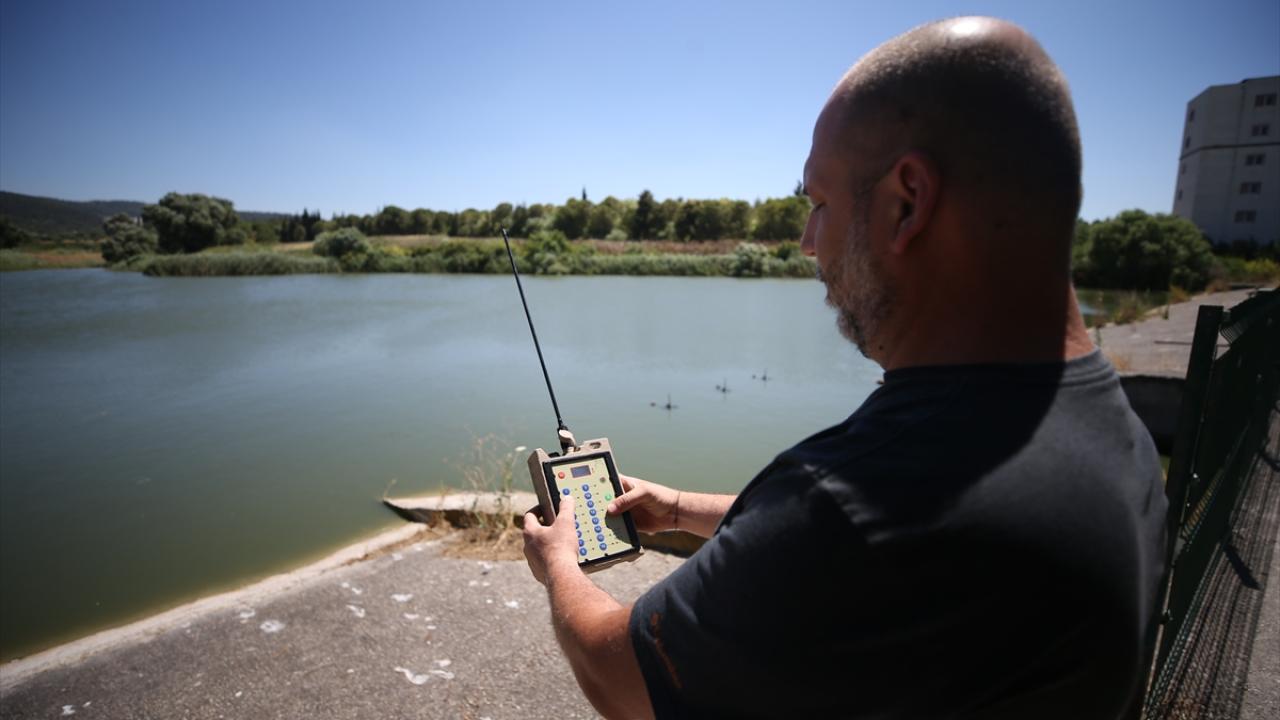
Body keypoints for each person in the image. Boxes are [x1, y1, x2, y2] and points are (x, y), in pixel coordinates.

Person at [522, 16, 1167, 719]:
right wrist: (678, 510)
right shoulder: (1110, 427)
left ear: (906, 203)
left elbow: (622, 676)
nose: (807, 242)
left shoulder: (867, 500)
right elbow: (855, 547)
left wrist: (559, 564)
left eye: (820, 204)